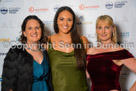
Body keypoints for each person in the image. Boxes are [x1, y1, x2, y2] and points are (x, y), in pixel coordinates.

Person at [1, 15, 53, 91]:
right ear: (24, 33)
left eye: (37, 28)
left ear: (41, 31)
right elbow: (8, 85)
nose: (34, 31)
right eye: (30, 28)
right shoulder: (15, 52)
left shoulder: (45, 52)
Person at [86, 15, 136, 91]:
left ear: (113, 29)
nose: (103, 31)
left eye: (107, 27)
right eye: (100, 28)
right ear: (96, 30)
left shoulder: (120, 52)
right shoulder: (91, 51)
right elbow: (85, 75)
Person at [47, 6, 89, 91]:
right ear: (56, 21)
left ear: (73, 22)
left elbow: (90, 66)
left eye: (69, 20)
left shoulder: (82, 40)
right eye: (62, 19)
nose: (65, 23)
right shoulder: (47, 41)